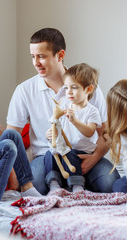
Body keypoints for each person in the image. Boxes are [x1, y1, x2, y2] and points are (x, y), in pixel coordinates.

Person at [6, 28, 119, 194]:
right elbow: (11, 136)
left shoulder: (87, 87)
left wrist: (93, 159)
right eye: (33, 56)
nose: (35, 62)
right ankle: (68, 183)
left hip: (84, 154)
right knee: (36, 185)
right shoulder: (24, 90)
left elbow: (106, 133)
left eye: (42, 56)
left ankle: (76, 183)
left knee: (110, 184)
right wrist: (14, 174)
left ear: (60, 55)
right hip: (47, 156)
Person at [44, 63, 102, 193]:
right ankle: (54, 184)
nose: (68, 92)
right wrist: (50, 134)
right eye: (66, 88)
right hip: (64, 149)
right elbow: (56, 125)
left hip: (82, 153)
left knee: (68, 153)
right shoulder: (64, 104)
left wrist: (74, 121)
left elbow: (90, 132)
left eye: (74, 88)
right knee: (49, 154)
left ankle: (77, 185)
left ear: (88, 89)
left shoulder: (92, 111)